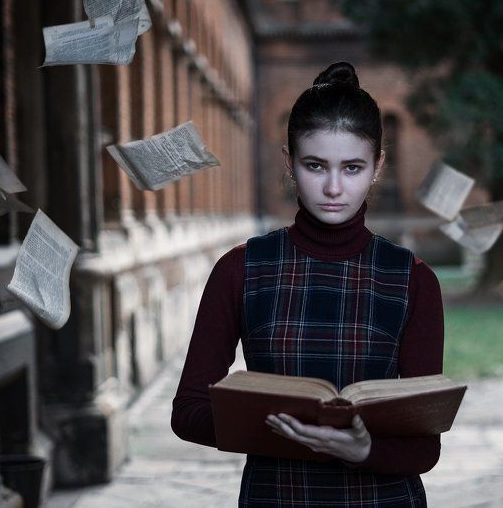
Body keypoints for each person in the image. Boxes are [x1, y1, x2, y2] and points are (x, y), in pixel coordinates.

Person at [171, 62, 445, 507]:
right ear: (289, 163)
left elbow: (425, 447)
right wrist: (281, 428)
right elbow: (188, 413)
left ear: (378, 166)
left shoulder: (413, 280)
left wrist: (363, 448)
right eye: (315, 165)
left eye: (352, 168)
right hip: (276, 497)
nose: (333, 187)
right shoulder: (240, 269)